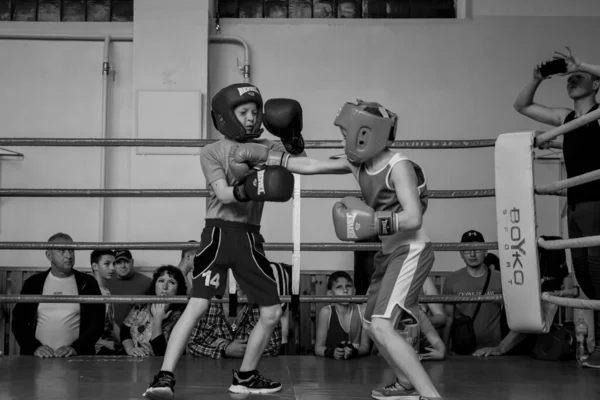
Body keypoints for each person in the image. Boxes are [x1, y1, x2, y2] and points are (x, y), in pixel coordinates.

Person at [229, 99, 441, 399]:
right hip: (389, 253)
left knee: (381, 326)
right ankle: (406, 383)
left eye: (346, 134)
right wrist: (270, 156)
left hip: (412, 250)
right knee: (370, 323)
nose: (344, 141)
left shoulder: (399, 166)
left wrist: (372, 223)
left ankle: (431, 395)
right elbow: (314, 165)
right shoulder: (359, 163)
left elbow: (413, 216)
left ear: (365, 133)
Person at [143, 83, 305, 399]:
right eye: (243, 112)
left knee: (271, 312)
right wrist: (245, 189)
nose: (251, 117)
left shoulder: (266, 147)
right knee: (198, 304)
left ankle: (245, 376)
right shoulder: (212, 150)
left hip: (251, 239)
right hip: (219, 234)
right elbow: (222, 193)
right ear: (226, 116)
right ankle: (164, 376)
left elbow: (298, 164)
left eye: (255, 112)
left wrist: (293, 140)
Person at [513, 46, 600, 368]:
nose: (572, 79)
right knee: (585, 278)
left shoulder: (599, 115)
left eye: (581, 77)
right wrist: (537, 78)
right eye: (569, 76)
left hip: (597, 203)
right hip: (576, 205)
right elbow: (521, 105)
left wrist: (581, 63)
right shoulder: (566, 118)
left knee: (597, 272)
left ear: (595, 84)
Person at [11, 233, 104, 357]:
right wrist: (34, 347)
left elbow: (97, 323)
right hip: (38, 360)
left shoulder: (88, 283)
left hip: (77, 360)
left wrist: (77, 348)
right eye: (62, 250)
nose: (69, 255)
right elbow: (19, 322)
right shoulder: (33, 283)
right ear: (49, 255)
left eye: (71, 250)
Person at [121, 265, 187, 357]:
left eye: (171, 282)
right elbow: (124, 332)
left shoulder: (183, 315)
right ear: (154, 284)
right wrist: (130, 349)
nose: (165, 287)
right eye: (161, 281)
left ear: (178, 289)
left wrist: (157, 319)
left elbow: (162, 354)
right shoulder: (142, 305)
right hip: (134, 364)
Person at [314, 271, 371, 360]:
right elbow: (318, 348)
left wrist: (354, 352)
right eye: (339, 287)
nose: (345, 290)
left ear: (354, 290)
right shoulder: (326, 312)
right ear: (330, 293)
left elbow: (366, 347)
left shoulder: (362, 311)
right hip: (331, 368)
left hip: (357, 368)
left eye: (348, 286)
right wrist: (332, 352)